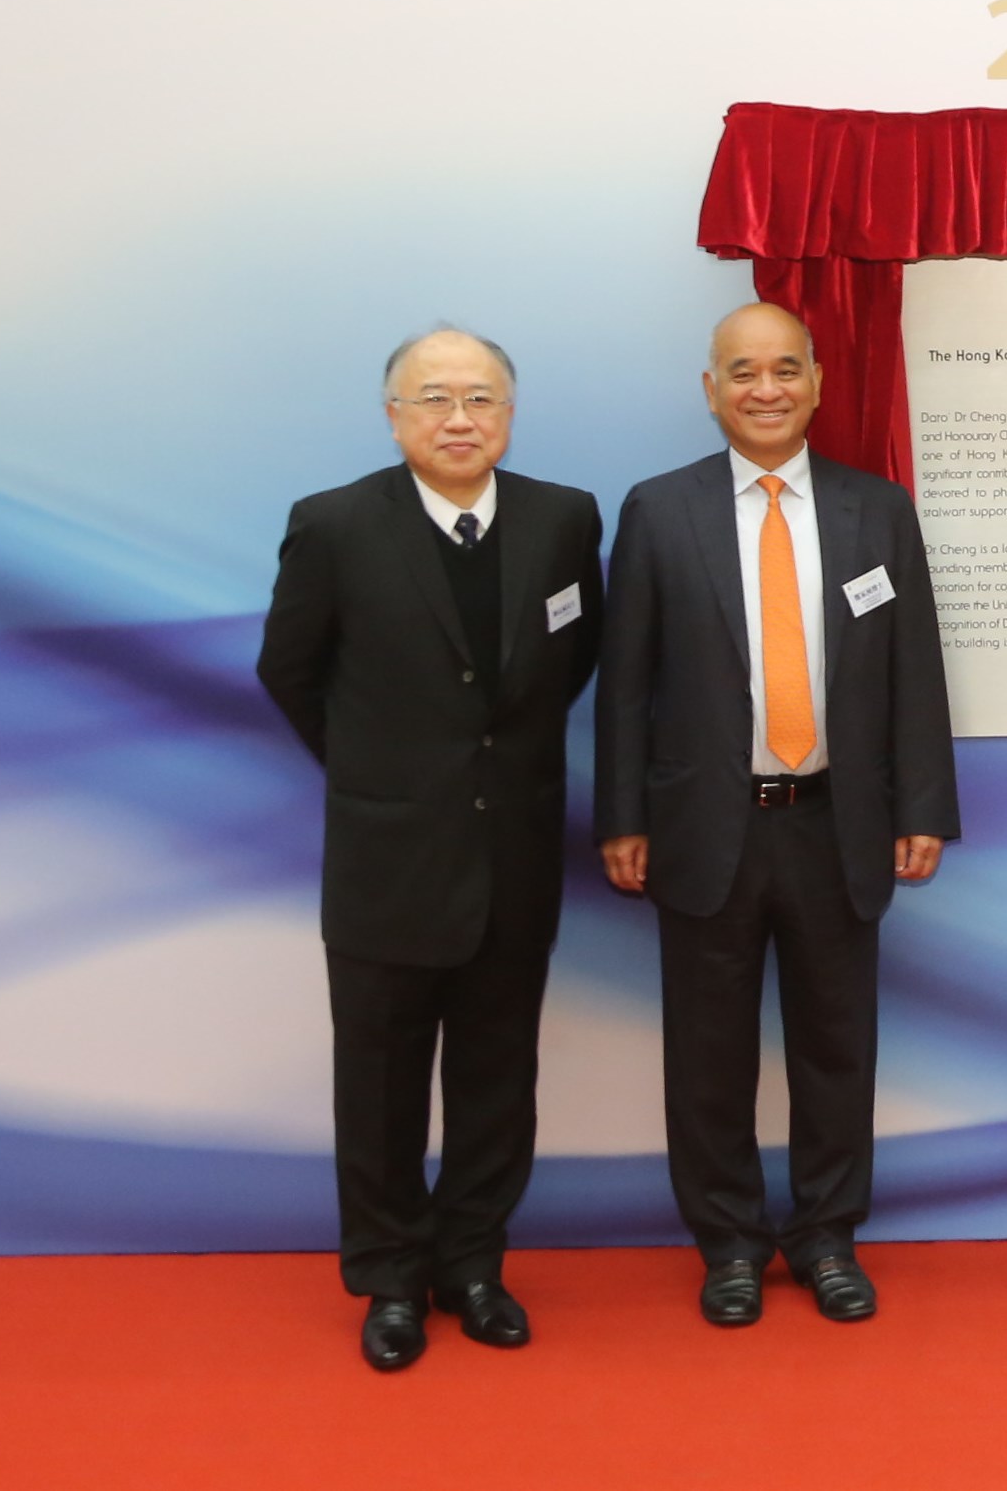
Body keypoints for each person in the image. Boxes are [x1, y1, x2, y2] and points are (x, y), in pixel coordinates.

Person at [596, 302, 960, 1327]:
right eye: (743, 371)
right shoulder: (660, 510)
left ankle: (829, 1234)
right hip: (705, 825)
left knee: (837, 1045)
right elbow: (624, 682)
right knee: (707, 1053)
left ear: (818, 383)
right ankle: (729, 1244)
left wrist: (922, 800)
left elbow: (914, 668)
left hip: (834, 820)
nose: (766, 388)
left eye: (786, 369)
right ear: (710, 388)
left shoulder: (874, 508)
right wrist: (622, 814)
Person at [255, 325, 606, 1372]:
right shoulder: (334, 525)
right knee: (381, 1082)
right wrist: (383, 773)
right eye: (435, 397)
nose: (461, 417)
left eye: (482, 397)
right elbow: (289, 670)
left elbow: (570, 657)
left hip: (517, 855)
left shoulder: (561, 518)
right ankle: (391, 1277)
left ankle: (474, 1264)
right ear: (395, 413)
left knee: (499, 1075)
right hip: (386, 859)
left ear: (509, 411)